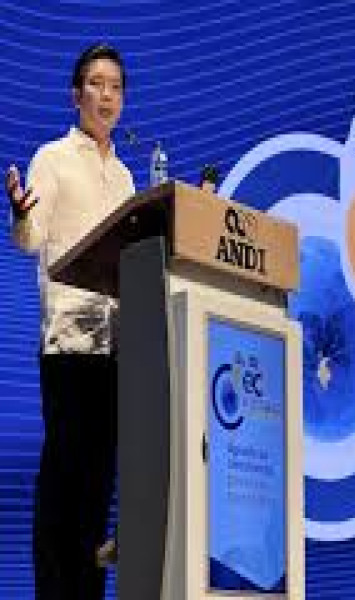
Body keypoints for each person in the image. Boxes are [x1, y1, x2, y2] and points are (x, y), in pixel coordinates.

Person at [5, 43, 134, 599]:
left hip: (117, 349)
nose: (107, 95)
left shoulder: (126, 179)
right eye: (96, 84)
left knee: (98, 486)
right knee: (64, 480)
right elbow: (31, 239)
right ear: (76, 95)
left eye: (116, 87)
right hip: (68, 345)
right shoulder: (52, 158)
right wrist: (19, 213)